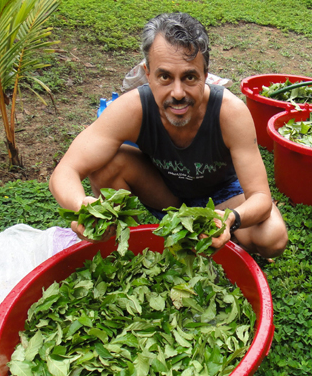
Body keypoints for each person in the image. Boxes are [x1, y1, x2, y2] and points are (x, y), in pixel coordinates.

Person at [49, 13, 288, 258]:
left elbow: (260, 197)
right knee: (106, 165)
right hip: (166, 195)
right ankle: (120, 239)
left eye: (189, 77)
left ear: (205, 75)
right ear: (148, 73)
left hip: (223, 197)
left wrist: (230, 219)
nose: (177, 93)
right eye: (164, 76)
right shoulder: (131, 109)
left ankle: (215, 239)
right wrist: (82, 207)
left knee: (272, 237)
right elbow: (66, 170)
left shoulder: (230, 113)